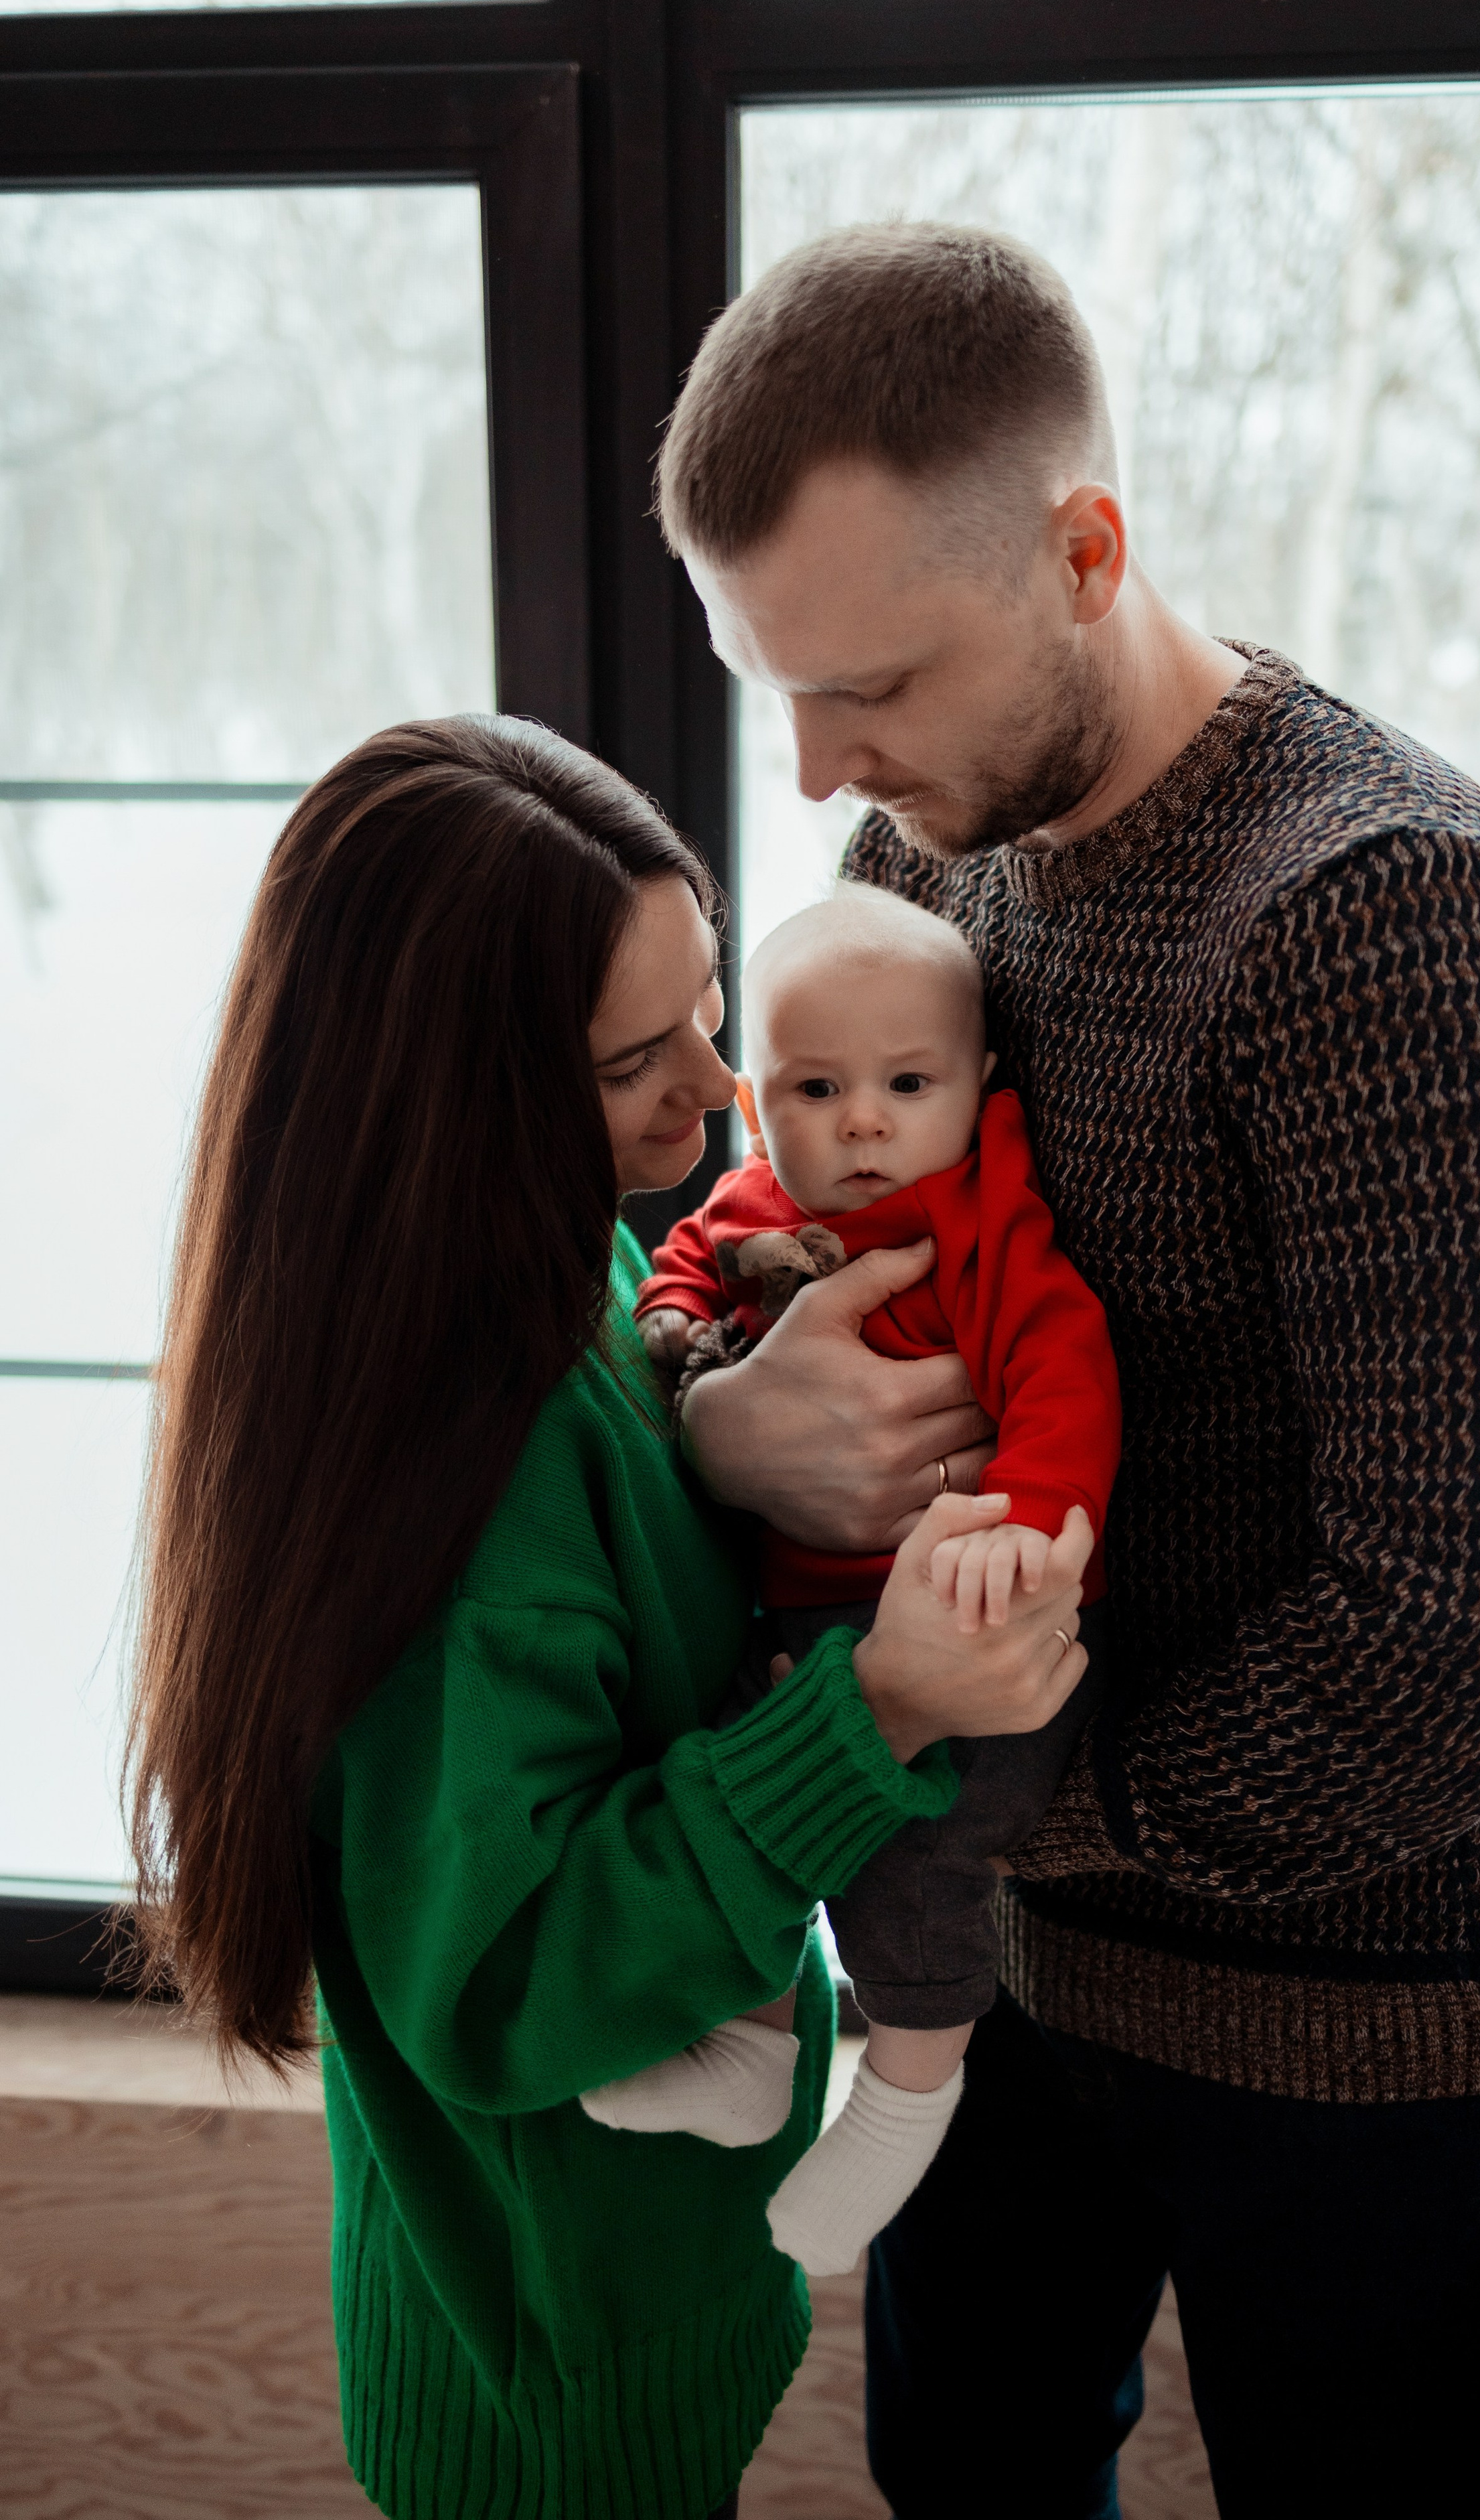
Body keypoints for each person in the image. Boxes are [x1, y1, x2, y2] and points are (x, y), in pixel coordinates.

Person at [652, 222, 1480, 2519]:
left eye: (872, 685)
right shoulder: (934, 847)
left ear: (1089, 551)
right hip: (992, 1970)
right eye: (777, 688)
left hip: (1358, 2019)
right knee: (968, 2475)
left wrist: (950, 1774)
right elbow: (777, 1255)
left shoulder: (1393, 923)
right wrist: (725, 1420)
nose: (814, 777)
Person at [121, 713, 1092, 2520]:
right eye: (638, 1055)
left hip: (616, 2315)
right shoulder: (452, 1471)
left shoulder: (567, 1251)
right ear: (454, 1095)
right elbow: (505, 1977)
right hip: (552, 2385)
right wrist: (873, 1711)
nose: (724, 1089)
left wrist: (720, 1431)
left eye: (714, 1004)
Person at [579, 882, 1121, 2278]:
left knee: (915, 1861)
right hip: (798, 1615)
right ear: (759, 1099)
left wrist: (1036, 1523)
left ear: (976, 1084)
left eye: (904, 1084)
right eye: (817, 1088)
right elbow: (684, 1264)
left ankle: (906, 2095)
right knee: (746, 1797)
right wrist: (680, 1332)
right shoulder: (763, 1203)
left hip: (969, 1625)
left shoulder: (982, 1223)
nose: (864, 1122)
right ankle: (754, 2045)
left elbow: (1063, 1373)